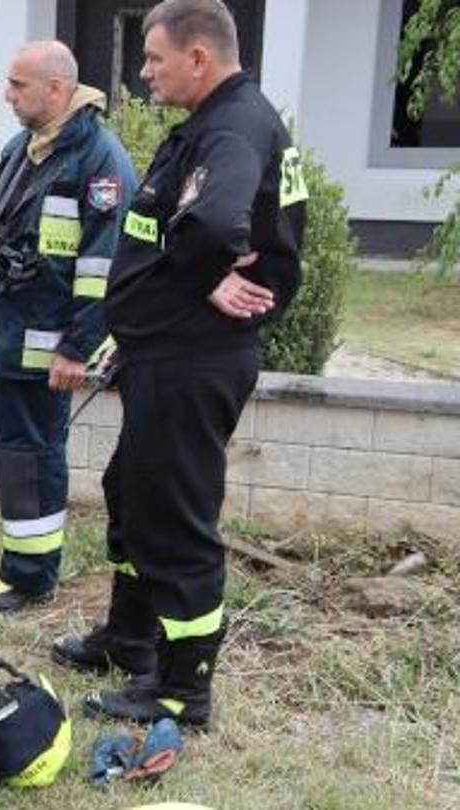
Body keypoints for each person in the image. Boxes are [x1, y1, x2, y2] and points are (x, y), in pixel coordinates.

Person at [78, 0, 303, 730]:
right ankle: (129, 640)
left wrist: (205, 276)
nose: (144, 73)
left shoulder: (233, 127)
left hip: (193, 356)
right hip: (161, 349)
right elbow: (172, 227)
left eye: (154, 59)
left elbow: (211, 223)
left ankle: (181, 691)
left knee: (175, 521)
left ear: (198, 58)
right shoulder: (217, 120)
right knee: (132, 494)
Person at [0, 42, 138, 618]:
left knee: (28, 455)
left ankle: (29, 576)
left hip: (43, 340)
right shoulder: (21, 149)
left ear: (57, 89)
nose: (7, 94)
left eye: (18, 85)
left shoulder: (100, 163)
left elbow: (104, 268)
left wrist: (76, 347)